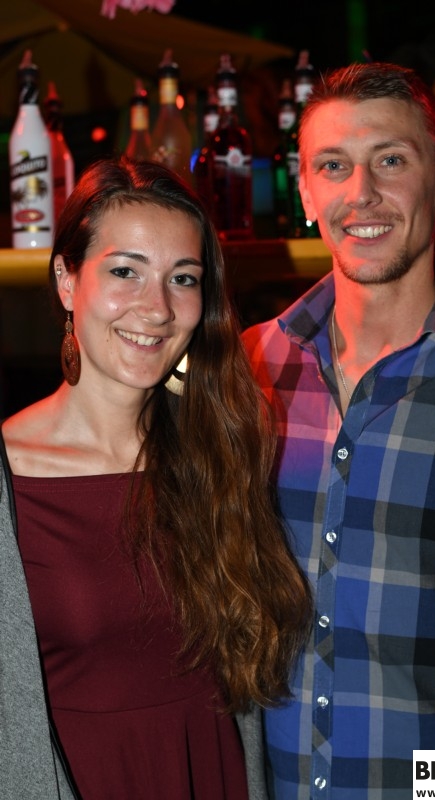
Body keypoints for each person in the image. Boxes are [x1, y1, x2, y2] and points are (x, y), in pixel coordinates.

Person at [242, 62, 435, 799]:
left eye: (391, 161)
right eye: (333, 166)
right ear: (305, 193)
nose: (361, 192)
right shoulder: (248, 369)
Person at [0, 155, 312, 800]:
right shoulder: (12, 481)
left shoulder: (220, 455)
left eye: (183, 278)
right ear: (66, 280)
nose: (158, 307)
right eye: (125, 271)